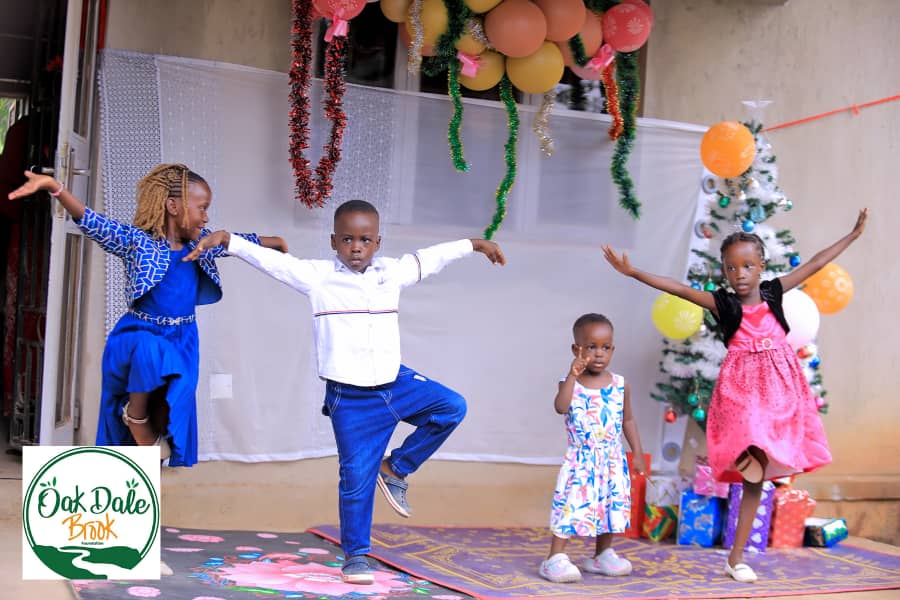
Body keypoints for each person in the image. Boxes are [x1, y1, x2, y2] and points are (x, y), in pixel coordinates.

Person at [186, 199, 505, 585]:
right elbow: (276, 264)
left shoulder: (392, 273)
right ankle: (357, 555)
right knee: (355, 479)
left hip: (394, 383)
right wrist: (230, 242)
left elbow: (431, 258)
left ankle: (397, 468)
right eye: (348, 240)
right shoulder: (318, 277)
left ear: (378, 243)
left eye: (366, 240)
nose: (357, 247)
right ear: (334, 241)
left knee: (452, 406)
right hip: (351, 400)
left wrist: (473, 243)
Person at [602, 209, 868, 583]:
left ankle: (737, 556)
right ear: (724, 271)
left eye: (746, 266)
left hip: (778, 391)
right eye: (730, 268)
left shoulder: (775, 292)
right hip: (742, 393)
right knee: (751, 456)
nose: (739, 274)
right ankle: (743, 484)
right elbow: (677, 288)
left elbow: (815, 263)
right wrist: (634, 273)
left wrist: (852, 236)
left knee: (755, 481)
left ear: (761, 267)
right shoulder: (723, 304)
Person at [7, 165, 288, 467]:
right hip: (139, 333)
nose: (206, 217)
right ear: (172, 206)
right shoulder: (137, 241)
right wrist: (55, 188)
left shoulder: (200, 243)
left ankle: (148, 449)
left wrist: (274, 242)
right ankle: (134, 416)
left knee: (172, 404)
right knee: (150, 351)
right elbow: (92, 222)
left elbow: (235, 242)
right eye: (202, 208)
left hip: (184, 339)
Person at [539, 313, 647, 583]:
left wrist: (637, 453)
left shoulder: (621, 385)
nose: (599, 354)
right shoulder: (570, 383)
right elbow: (560, 407)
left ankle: (603, 554)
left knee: (610, 504)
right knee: (571, 505)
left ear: (612, 349)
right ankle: (555, 558)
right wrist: (571, 376)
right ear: (577, 349)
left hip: (612, 459)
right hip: (581, 461)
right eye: (591, 347)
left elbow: (628, 419)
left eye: (605, 347)